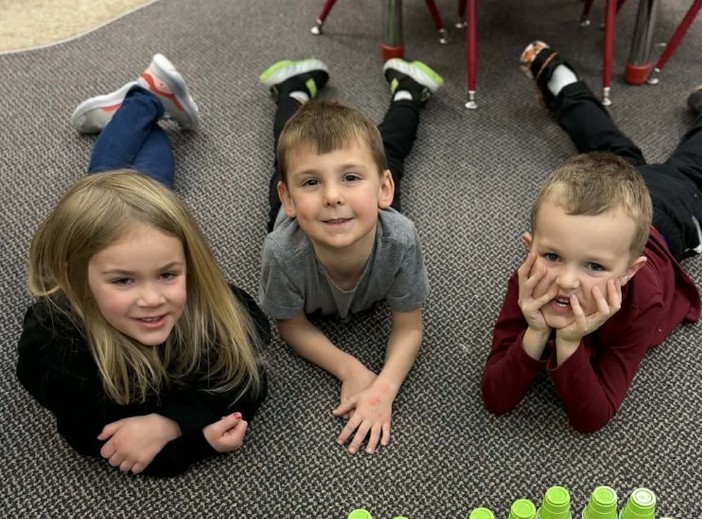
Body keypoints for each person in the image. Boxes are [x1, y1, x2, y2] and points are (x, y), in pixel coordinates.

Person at [481, 41, 702, 433]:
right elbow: (495, 397)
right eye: (552, 256)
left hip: (668, 212)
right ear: (530, 248)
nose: (565, 281)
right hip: (614, 207)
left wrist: (569, 343)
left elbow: (591, 417)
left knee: (694, 168)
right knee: (608, 148)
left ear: (629, 272)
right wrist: (536, 329)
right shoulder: (529, 281)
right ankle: (561, 79)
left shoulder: (641, 299)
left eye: (594, 266)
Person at [17, 55, 268, 477]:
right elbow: (97, 440)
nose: (153, 299)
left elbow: (248, 376)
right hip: (90, 245)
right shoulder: (56, 348)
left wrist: (170, 422)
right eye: (123, 280)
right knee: (107, 181)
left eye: (168, 274)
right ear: (77, 278)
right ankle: (144, 100)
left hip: (123, 231)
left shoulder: (208, 301)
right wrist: (194, 442)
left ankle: (144, 101)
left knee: (131, 183)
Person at [258, 57, 442, 454]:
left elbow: (409, 328)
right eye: (311, 183)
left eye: (350, 179)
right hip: (296, 223)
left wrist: (385, 389)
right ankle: (292, 90)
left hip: (373, 215)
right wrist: (349, 367)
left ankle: (408, 92)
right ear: (288, 200)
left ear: (383, 191)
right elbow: (290, 325)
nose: (332, 195)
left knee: (388, 149)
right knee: (284, 155)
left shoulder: (400, 239)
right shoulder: (281, 251)